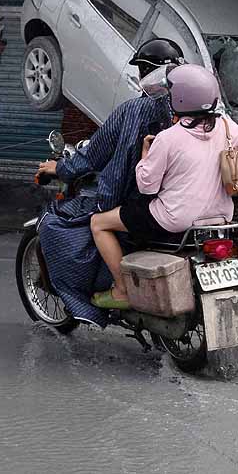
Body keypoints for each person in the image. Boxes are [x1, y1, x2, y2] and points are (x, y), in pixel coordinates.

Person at [35, 38, 185, 326]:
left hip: (148, 208)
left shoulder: (133, 111)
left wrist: (62, 168)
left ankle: (118, 289)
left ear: (144, 72)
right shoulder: (207, 119)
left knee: (58, 224)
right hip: (203, 210)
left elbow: (93, 155)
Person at [89, 65, 238, 309]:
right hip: (221, 220)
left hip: (174, 221)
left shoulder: (168, 138)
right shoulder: (227, 127)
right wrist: (228, 181)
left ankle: (121, 290)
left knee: (99, 223)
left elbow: (147, 187)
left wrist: (144, 155)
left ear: (179, 100)